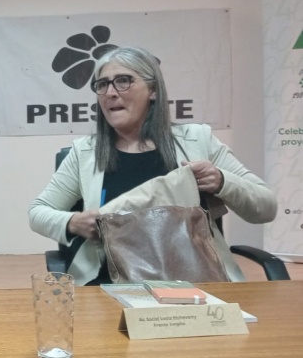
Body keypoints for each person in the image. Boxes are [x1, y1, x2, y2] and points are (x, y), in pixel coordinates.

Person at [28, 46, 277, 286]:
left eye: (123, 80)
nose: (110, 92)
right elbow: (38, 212)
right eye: (102, 84)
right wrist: (73, 222)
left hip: (197, 283)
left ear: (153, 90)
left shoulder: (197, 140)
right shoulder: (85, 153)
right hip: (111, 283)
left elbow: (266, 207)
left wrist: (222, 181)